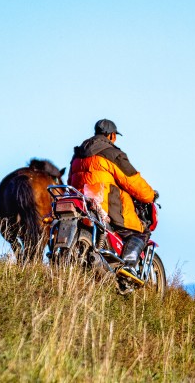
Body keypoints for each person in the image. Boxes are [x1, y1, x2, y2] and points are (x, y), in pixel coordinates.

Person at [69, 119, 158, 283]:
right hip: (105, 206)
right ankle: (129, 265)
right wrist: (151, 195)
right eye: (115, 136)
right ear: (111, 135)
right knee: (140, 231)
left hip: (82, 204)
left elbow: (70, 181)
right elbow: (132, 181)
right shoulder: (112, 154)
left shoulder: (78, 154)